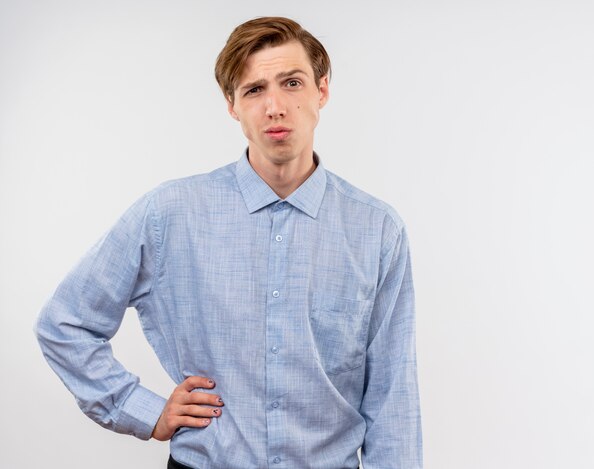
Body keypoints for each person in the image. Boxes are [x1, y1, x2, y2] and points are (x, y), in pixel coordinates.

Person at [35, 16, 423, 469]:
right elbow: (65, 323)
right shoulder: (169, 213)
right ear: (232, 106)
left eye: (292, 83)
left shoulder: (376, 229)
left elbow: (393, 395)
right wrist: (142, 410)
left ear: (322, 92)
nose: (275, 106)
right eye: (254, 90)